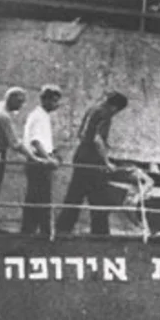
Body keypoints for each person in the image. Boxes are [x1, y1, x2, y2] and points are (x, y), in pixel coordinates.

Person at [56, 91, 129, 237]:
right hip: (93, 161)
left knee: (74, 196)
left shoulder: (92, 109)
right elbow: (97, 139)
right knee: (99, 199)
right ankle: (100, 234)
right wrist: (106, 162)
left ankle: (62, 230)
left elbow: (81, 134)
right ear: (115, 107)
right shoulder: (105, 114)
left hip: (81, 156)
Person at [0, 87, 33, 234]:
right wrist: (33, 157)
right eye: (19, 101)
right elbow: (15, 143)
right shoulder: (3, 116)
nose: (21, 105)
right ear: (10, 98)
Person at [20, 85, 63, 237]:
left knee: (39, 198)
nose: (56, 104)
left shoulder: (43, 116)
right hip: (38, 162)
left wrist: (53, 154)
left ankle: (36, 231)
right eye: (54, 101)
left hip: (41, 160)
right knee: (38, 198)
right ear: (44, 99)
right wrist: (49, 159)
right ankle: (34, 232)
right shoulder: (38, 116)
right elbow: (36, 141)